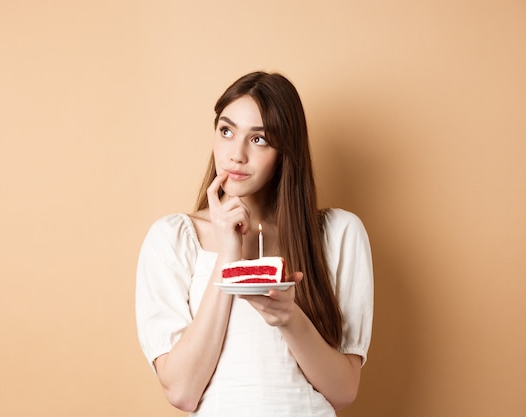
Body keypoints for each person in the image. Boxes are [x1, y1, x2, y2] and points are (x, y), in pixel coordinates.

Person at [136, 71, 374, 417]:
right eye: (227, 131)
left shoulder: (338, 234)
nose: (236, 155)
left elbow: (343, 391)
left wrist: (289, 317)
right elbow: (183, 392)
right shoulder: (172, 238)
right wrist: (229, 253)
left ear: (285, 151)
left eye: (259, 140)